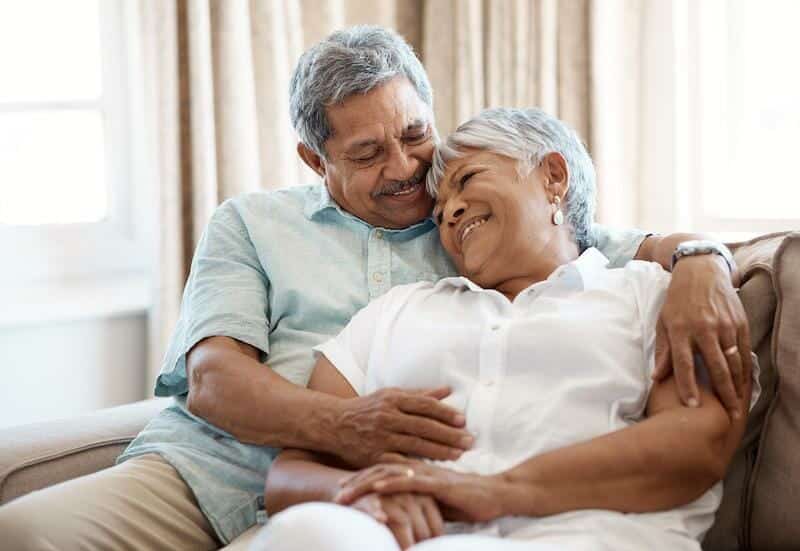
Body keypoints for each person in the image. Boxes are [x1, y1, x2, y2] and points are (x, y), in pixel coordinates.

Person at [0, 27, 751, 550]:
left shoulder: (473, 229)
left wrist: (704, 259)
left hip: (348, 495)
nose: (407, 171)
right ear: (313, 158)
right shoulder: (253, 222)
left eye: (417, 136)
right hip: (211, 469)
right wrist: (347, 428)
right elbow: (214, 380)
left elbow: (585, 241)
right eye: (366, 151)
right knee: (27, 533)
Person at [255, 107, 757, 550]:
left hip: (585, 536)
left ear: (553, 176)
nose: (449, 211)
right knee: (307, 534)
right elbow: (290, 474)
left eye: (468, 180)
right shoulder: (395, 311)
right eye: (437, 210)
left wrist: (490, 492)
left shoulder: (651, 294)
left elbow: (696, 447)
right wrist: (357, 497)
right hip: (403, 539)